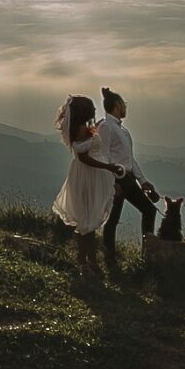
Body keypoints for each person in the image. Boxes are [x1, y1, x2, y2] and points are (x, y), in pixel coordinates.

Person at [51, 93, 124, 273]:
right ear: (84, 111)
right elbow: (84, 157)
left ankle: (85, 260)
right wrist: (108, 167)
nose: (94, 109)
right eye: (91, 107)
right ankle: (88, 261)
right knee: (88, 218)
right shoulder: (82, 130)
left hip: (89, 175)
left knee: (87, 219)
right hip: (89, 175)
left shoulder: (84, 128)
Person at [96, 87, 157, 264]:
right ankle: (110, 258)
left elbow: (130, 159)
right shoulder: (106, 127)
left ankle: (147, 254)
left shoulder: (122, 130)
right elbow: (104, 155)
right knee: (113, 219)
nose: (125, 108)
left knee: (149, 210)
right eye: (124, 104)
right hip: (118, 179)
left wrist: (143, 181)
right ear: (117, 105)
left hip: (127, 178)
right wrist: (112, 182)